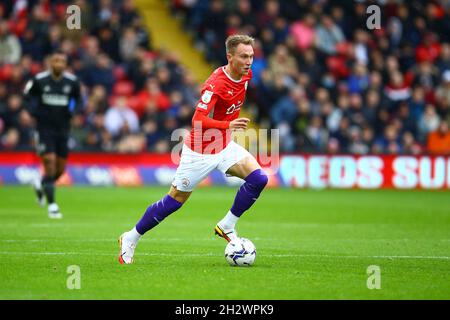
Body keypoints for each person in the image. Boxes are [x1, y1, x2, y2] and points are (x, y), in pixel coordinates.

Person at [118, 35, 268, 264]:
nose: (249, 61)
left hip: (224, 145)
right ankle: (131, 237)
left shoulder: (247, 74)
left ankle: (227, 225)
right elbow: (197, 119)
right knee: (175, 201)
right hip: (200, 151)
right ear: (230, 57)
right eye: (244, 56)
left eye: (251, 56)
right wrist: (228, 124)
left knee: (259, 178)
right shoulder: (216, 83)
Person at [23, 49, 82, 218]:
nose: (59, 64)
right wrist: (33, 113)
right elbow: (27, 95)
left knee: (59, 170)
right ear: (50, 63)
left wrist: (73, 112)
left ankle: (40, 183)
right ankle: (52, 206)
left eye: (62, 61)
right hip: (44, 128)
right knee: (49, 162)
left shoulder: (72, 82)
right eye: (56, 61)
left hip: (63, 128)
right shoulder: (39, 80)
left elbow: (78, 99)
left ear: (65, 64)